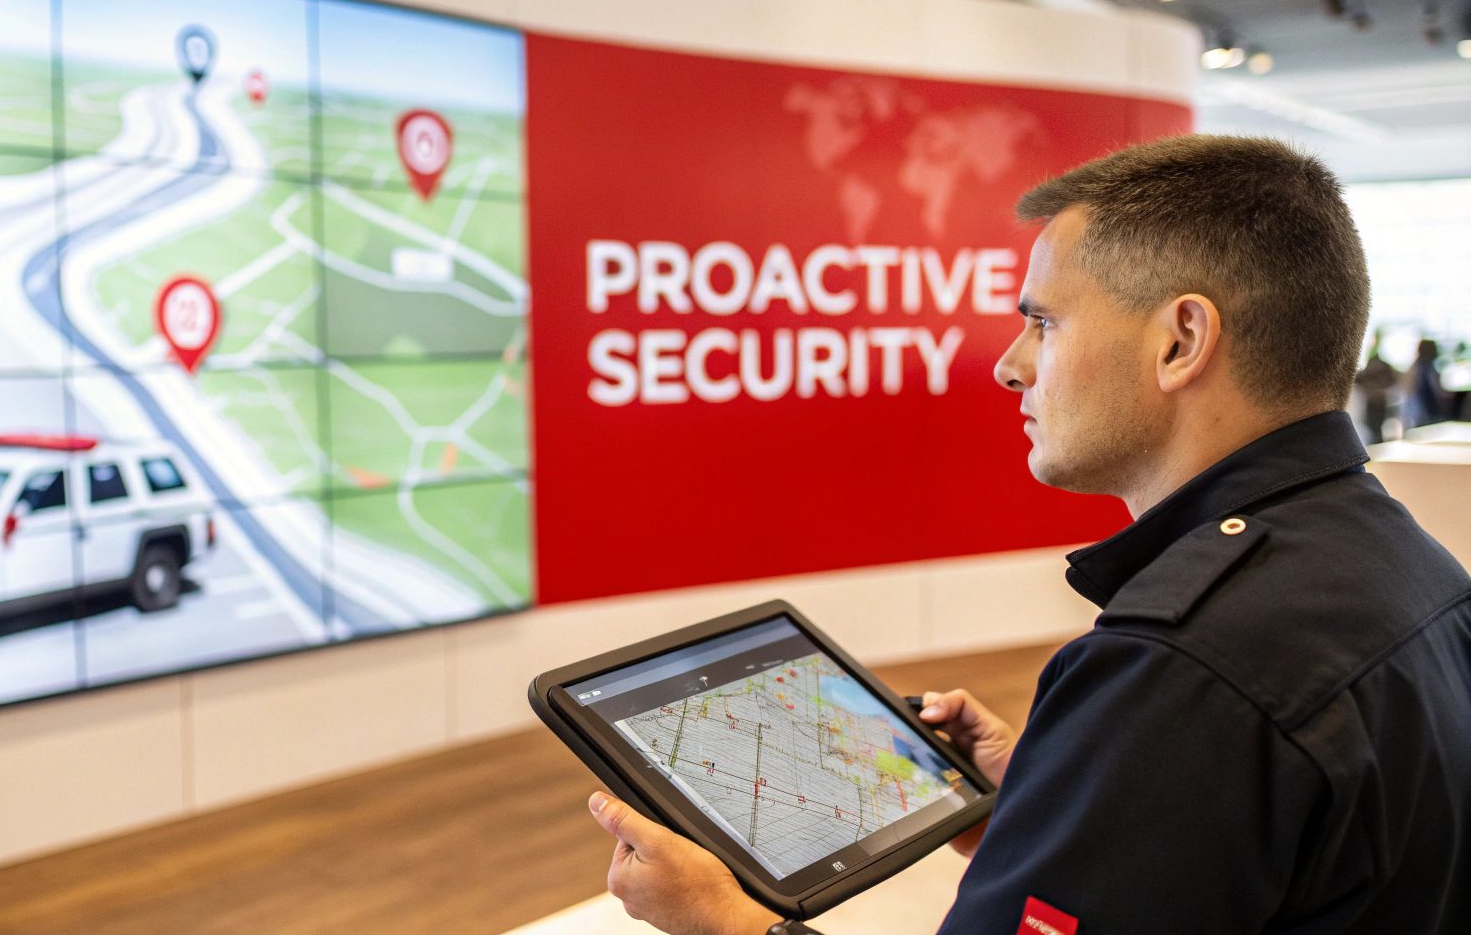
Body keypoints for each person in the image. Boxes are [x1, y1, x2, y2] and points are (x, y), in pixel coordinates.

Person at [584, 135, 1471, 935]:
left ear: (1181, 342)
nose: (1011, 365)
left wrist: (725, 923)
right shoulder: (1408, 563)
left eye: (1042, 322)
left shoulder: (1185, 668)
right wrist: (1065, 799)